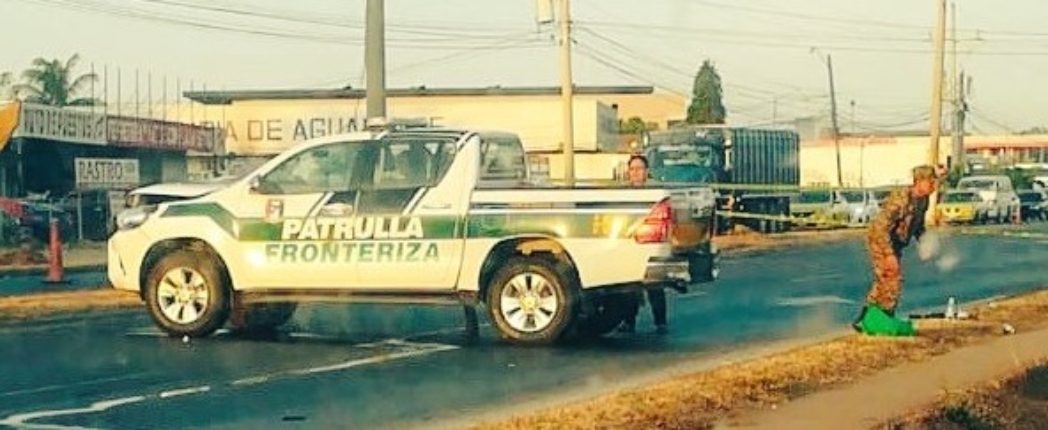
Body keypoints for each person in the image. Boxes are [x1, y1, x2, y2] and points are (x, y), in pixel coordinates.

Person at [852, 164, 941, 333]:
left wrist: (925, 242)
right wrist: (888, 254)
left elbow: (918, 224)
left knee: (885, 279)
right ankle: (882, 316)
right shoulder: (901, 198)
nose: (934, 186)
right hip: (881, 240)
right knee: (892, 276)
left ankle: (868, 317)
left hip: (896, 242)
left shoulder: (923, 200)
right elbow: (881, 227)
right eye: (931, 182)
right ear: (919, 181)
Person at [619, 154, 669, 334]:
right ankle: (628, 321)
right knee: (629, 286)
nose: (635, 173)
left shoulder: (655, 192)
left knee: (654, 286)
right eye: (632, 169)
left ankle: (660, 322)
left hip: (651, 244)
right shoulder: (624, 194)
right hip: (631, 244)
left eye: (639, 169)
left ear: (646, 172)